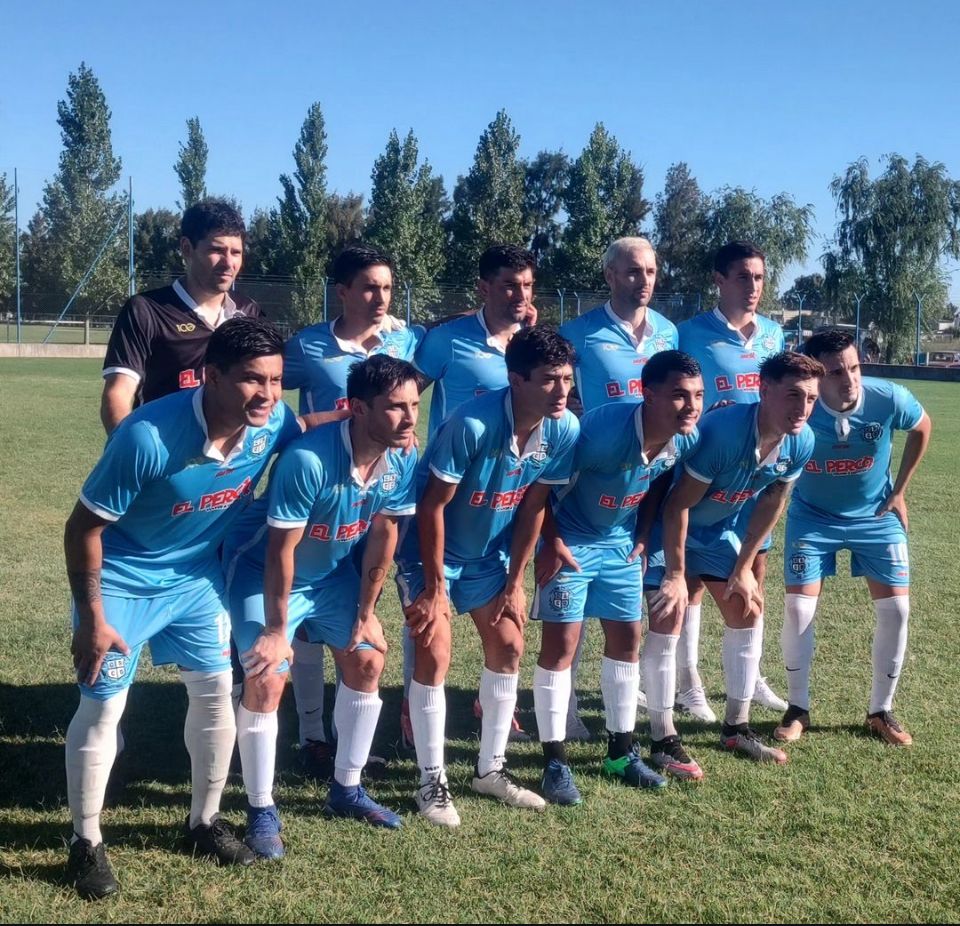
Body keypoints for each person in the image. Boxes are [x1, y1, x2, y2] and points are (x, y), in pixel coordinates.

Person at [64, 317, 309, 900]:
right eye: (252, 379)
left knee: (216, 691)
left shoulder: (272, 422)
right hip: (123, 577)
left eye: (276, 380)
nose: (267, 394)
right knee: (104, 704)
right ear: (211, 376)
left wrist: (367, 427)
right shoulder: (146, 437)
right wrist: (93, 617)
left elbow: (308, 431)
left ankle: (203, 822)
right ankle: (85, 841)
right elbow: (82, 529)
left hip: (196, 579)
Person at [224, 356, 419, 858]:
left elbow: (385, 533)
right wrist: (276, 630)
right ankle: (261, 809)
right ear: (359, 409)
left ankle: (347, 789)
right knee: (267, 676)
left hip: (330, 577)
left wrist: (365, 612)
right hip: (262, 574)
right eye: (395, 407)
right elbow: (279, 551)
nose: (409, 419)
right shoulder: (308, 461)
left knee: (368, 658)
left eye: (414, 405)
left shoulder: (401, 458)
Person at [396, 326, 580, 826]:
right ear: (516, 380)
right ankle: (431, 781)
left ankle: (490, 771)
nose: (562, 390)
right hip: (430, 554)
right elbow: (432, 507)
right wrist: (436, 588)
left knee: (510, 645)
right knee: (435, 651)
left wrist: (515, 582)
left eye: (567, 378)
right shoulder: (471, 423)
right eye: (549, 379)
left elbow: (534, 506)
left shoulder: (563, 428)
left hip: (487, 558)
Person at [532, 350, 704, 804]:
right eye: (679, 395)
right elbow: (539, 486)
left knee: (628, 640)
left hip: (620, 545)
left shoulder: (685, 438)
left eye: (698, 395)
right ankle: (555, 763)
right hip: (570, 541)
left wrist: (643, 534)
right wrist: (551, 541)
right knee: (561, 646)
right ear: (648, 395)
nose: (691, 406)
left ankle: (620, 752)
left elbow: (659, 482)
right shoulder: (600, 433)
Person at [280, 244, 418, 777]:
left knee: (363, 611)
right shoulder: (308, 346)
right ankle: (312, 735)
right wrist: (320, 423)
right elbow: (265, 393)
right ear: (342, 291)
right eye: (369, 287)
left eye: (387, 287)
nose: (380, 297)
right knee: (307, 622)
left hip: (377, 493)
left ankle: (352, 736)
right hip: (322, 492)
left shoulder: (407, 340)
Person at [398, 244, 540, 746]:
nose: (520, 295)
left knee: (505, 613)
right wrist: (404, 434)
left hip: (506, 496)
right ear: (483, 288)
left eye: (527, 285)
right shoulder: (448, 340)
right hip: (449, 491)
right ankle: (413, 706)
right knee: (428, 612)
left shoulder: (533, 344)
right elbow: (408, 388)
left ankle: (494, 702)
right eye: (509, 285)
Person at [654, 351, 823, 764]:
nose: (803, 408)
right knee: (667, 616)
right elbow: (677, 505)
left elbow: (773, 501)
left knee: (747, 609)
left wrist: (744, 566)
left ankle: (736, 729)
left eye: (812, 398)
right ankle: (663, 736)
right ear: (764, 390)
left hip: (717, 533)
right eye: (793, 395)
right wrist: (676, 573)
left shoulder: (802, 439)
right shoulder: (724, 432)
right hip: (666, 529)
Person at [776, 328, 931, 746]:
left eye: (854, 367)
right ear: (815, 375)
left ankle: (881, 711)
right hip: (812, 517)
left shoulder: (888, 397)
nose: (849, 380)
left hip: (876, 516)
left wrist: (899, 491)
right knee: (798, 609)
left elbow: (922, 426)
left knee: (897, 610)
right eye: (836, 372)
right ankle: (798, 708)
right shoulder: (801, 408)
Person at [556, 236, 678, 738]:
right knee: (572, 603)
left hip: (641, 480)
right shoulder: (578, 333)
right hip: (587, 476)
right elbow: (560, 394)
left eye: (649, 271)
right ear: (609, 276)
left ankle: (625, 701)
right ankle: (563, 710)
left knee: (625, 605)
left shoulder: (668, 331)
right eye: (631, 271)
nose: (643, 280)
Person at [669, 240, 789, 722]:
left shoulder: (774, 334)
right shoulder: (687, 334)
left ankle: (750, 674)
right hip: (705, 470)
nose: (752, 286)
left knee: (754, 569)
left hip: (757, 473)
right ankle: (688, 682)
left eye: (759, 277)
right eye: (743, 276)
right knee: (693, 578)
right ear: (719, 280)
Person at [100, 199, 259, 434]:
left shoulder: (249, 312)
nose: (229, 263)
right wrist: (129, 447)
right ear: (186, 248)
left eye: (236, 252)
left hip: (228, 454)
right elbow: (118, 394)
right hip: (164, 449)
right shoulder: (146, 310)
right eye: (217, 250)